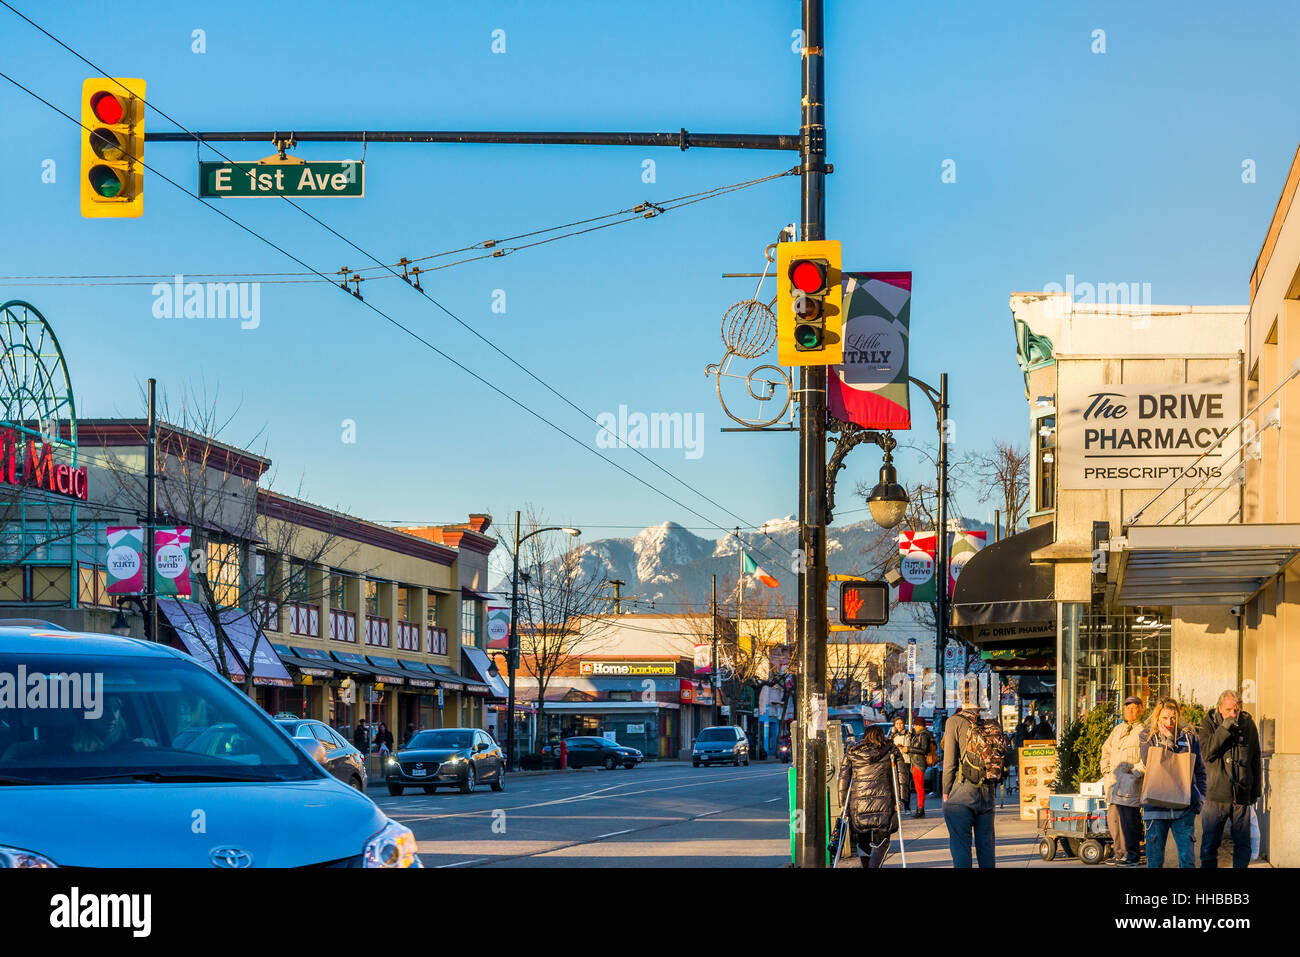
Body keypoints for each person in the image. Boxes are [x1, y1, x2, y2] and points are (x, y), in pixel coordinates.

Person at [1136, 697, 1206, 868]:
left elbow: (1200, 769)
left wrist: (1200, 797)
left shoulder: (1189, 736)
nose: (1170, 722)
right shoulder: (1147, 736)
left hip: (1184, 809)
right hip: (1155, 808)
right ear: (1157, 717)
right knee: (1155, 862)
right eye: (1165, 718)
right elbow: (1149, 763)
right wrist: (1168, 742)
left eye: (1173, 717)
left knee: (1187, 861)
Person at [1198, 690, 1262, 868]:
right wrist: (1224, 727)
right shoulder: (1208, 723)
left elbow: (1255, 758)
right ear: (1219, 708)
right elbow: (1207, 752)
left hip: (1241, 794)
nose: (1234, 714)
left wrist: (1255, 791)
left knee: (1243, 844)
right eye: (1229, 710)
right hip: (1215, 795)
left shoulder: (1248, 724)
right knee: (1210, 844)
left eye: (1237, 710)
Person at [942, 693, 997, 868]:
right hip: (987, 793)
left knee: (961, 848)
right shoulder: (991, 721)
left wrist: (945, 791)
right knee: (986, 848)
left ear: (961, 698)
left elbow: (949, 763)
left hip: (961, 793)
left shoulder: (954, 722)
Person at [835, 724, 902, 868]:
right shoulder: (891, 750)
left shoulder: (853, 752)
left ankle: (866, 865)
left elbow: (843, 778)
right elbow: (901, 776)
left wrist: (843, 804)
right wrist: (902, 799)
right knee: (882, 842)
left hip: (859, 805)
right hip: (884, 804)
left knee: (862, 840)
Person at [1100, 696, 1145, 866]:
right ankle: (1119, 853)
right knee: (1114, 820)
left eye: (1134, 708)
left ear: (1141, 709)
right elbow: (1106, 751)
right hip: (1113, 783)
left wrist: (1135, 773)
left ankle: (1132, 855)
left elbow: (1147, 759)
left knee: (1130, 822)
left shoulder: (1143, 731)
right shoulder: (1118, 729)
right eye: (1127, 708)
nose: (1130, 711)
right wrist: (1105, 770)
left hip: (1130, 785)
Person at [905, 715, 934, 818]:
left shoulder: (924, 735)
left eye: (915, 725)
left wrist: (909, 749)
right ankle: (919, 809)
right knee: (918, 787)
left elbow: (923, 750)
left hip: (919, 763)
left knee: (919, 788)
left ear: (919, 725)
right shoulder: (919, 735)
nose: (914, 727)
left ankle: (920, 810)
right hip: (916, 763)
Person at [889, 717, 912, 812]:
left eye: (901, 723)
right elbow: (888, 745)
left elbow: (914, 746)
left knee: (906, 785)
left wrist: (907, 749)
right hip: (895, 762)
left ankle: (907, 806)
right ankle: (897, 805)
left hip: (906, 761)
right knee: (896, 785)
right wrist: (892, 733)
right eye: (897, 723)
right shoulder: (893, 735)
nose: (899, 725)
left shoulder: (909, 734)